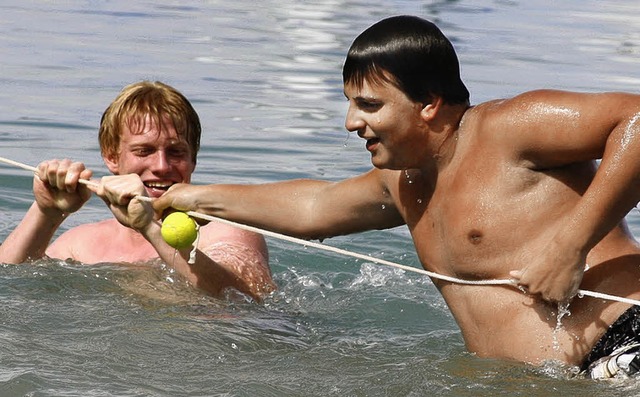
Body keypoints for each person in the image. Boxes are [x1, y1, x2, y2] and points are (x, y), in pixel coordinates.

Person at [151, 16, 640, 377]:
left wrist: (569, 248)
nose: (351, 123)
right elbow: (314, 209)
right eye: (350, 104)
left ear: (428, 104)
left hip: (624, 344)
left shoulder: (507, 128)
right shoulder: (403, 182)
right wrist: (186, 196)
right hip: (550, 384)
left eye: (369, 105)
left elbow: (636, 123)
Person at [0, 81, 275, 301]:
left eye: (176, 152)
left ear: (194, 159)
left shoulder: (226, 230)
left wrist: (149, 227)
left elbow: (243, 300)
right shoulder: (82, 243)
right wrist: (45, 212)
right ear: (111, 157)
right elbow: (10, 285)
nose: (161, 166)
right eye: (144, 151)